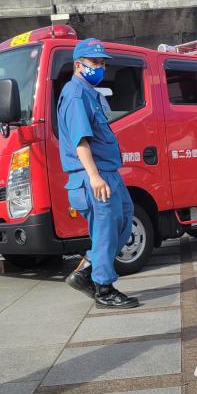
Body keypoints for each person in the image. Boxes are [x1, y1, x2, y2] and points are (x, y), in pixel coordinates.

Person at [58, 38, 139, 309]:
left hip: (108, 173)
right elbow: (81, 140)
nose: (101, 67)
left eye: (103, 62)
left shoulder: (92, 94)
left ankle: (86, 272)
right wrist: (94, 176)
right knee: (105, 233)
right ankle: (104, 289)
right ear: (78, 65)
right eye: (95, 62)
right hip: (93, 175)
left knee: (125, 221)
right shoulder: (75, 94)